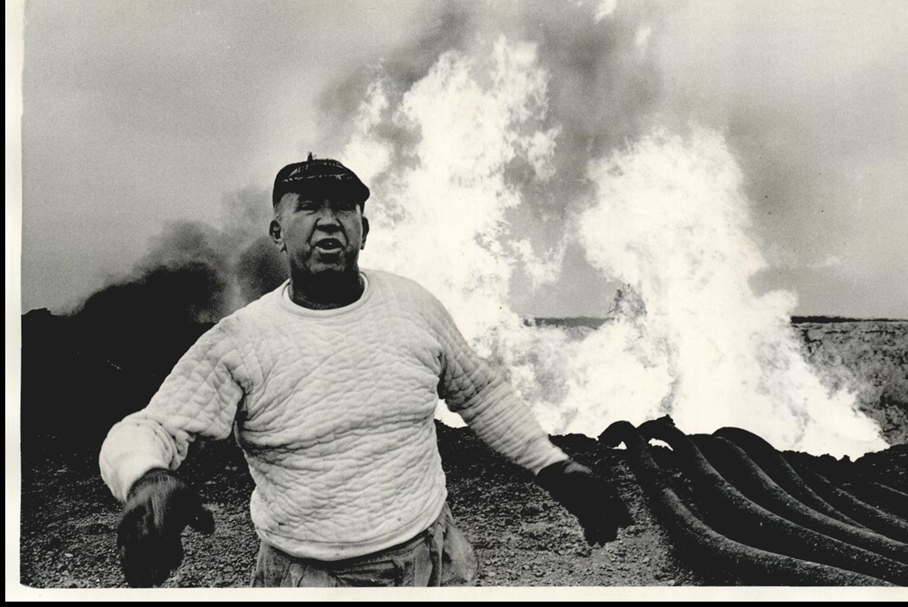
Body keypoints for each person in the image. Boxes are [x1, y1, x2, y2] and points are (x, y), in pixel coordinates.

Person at [99, 155, 632, 588]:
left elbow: (482, 394)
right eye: (308, 208)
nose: (328, 220)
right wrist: (147, 477)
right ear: (278, 232)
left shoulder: (413, 306)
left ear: (364, 229)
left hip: (435, 558)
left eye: (345, 208)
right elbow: (151, 428)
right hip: (310, 576)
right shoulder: (241, 340)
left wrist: (553, 467)